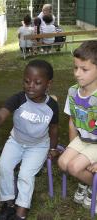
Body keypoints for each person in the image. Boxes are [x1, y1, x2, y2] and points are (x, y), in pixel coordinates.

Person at [0, 59, 59, 220]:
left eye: (37, 82)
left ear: (48, 84)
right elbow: (0, 115)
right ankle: (8, 204)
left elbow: (54, 129)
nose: (30, 86)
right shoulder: (19, 99)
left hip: (38, 146)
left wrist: (53, 149)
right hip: (16, 141)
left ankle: (21, 212)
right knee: (4, 166)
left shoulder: (52, 106)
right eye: (26, 81)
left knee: (25, 175)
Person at [58, 41, 97, 211]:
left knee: (74, 167)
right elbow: (72, 121)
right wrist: (73, 146)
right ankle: (86, 181)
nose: (77, 74)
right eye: (75, 68)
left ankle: (94, 187)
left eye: (84, 69)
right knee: (63, 162)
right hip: (83, 138)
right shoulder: (73, 92)